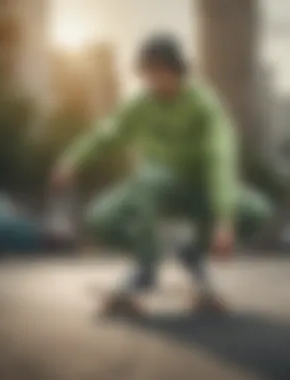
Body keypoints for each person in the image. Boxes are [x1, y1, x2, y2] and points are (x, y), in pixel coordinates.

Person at [51, 34, 253, 316]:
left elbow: (221, 159)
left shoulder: (203, 105)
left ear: (176, 70)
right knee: (102, 217)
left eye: (157, 74)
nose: (151, 82)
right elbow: (108, 133)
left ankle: (159, 267)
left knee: (256, 211)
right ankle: (154, 256)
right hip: (152, 189)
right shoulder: (142, 104)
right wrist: (72, 159)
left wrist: (224, 218)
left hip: (197, 190)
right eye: (146, 75)